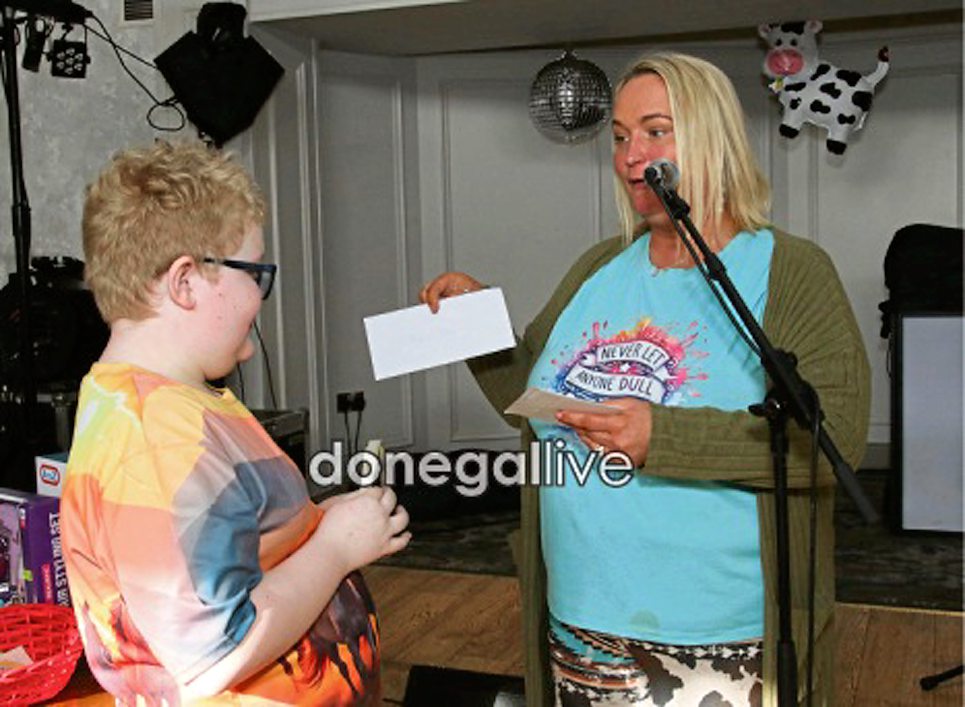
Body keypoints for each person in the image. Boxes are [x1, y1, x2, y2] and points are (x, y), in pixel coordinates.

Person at [421, 52, 870, 707]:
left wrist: (662, 437)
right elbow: (535, 400)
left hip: (721, 636)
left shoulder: (792, 271)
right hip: (583, 620)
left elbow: (837, 439)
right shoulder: (599, 266)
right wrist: (477, 325)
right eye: (620, 137)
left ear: (711, 137)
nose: (632, 156)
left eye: (656, 131)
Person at [62, 141, 410, 705]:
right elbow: (213, 657)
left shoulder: (185, 403)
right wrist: (335, 550)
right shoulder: (155, 440)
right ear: (185, 282)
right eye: (255, 272)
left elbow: (240, 539)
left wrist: (318, 524)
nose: (260, 296)